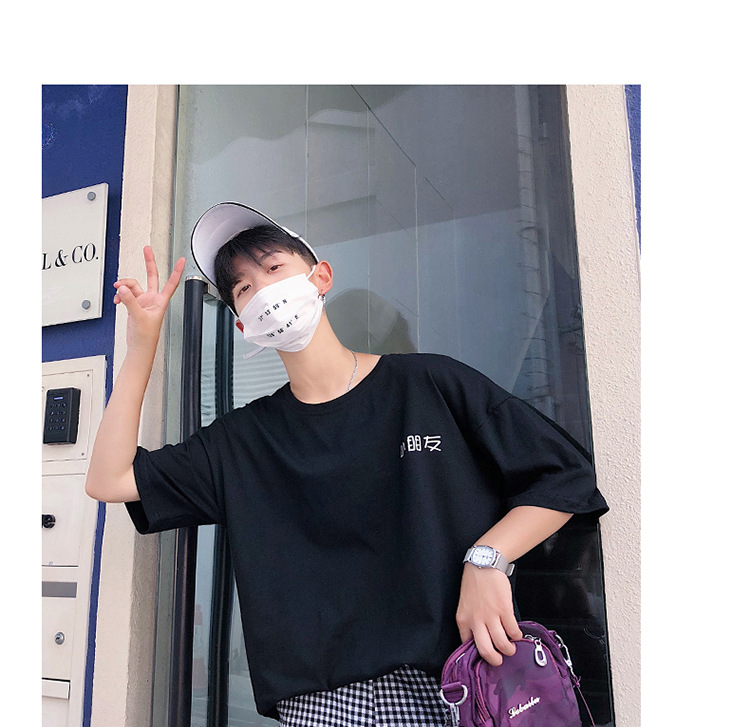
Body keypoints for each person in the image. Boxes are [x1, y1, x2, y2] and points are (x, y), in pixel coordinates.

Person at [85, 202, 608, 727]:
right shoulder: (241, 441)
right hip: (322, 706)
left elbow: (564, 474)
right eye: (243, 288)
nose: (263, 290)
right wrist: (142, 345)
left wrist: (487, 559)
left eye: (273, 267)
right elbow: (110, 479)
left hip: (456, 686)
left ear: (321, 277)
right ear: (242, 325)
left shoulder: (430, 385)